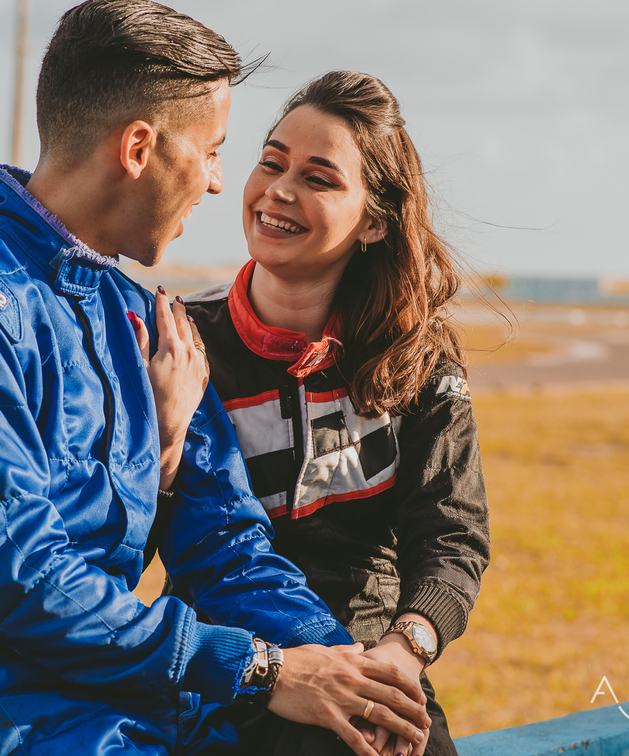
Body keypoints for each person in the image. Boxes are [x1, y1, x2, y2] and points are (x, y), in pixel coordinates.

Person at [0, 0, 430, 756]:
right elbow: (20, 581)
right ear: (139, 147)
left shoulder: (148, 323)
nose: (218, 182)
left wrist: (346, 670)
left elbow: (228, 546)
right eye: (211, 151)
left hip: (134, 702)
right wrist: (262, 667)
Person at [181, 71, 492, 756]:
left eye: (318, 178)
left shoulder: (417, 356)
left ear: (375, 221)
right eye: (271, 163)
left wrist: (402, 653)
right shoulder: (181, 344)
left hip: (378, 666)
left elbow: (452, 534)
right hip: (237, 675)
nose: (279, 190)